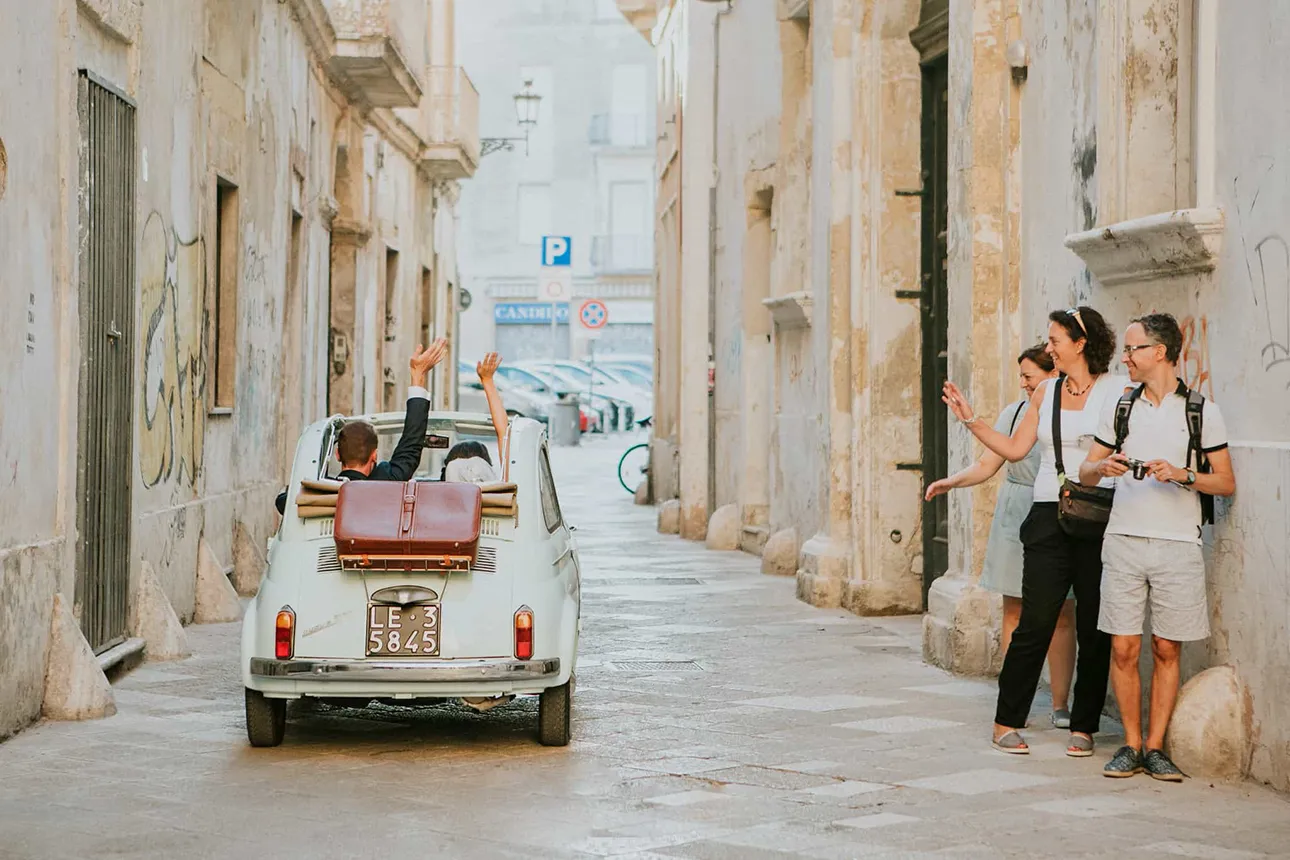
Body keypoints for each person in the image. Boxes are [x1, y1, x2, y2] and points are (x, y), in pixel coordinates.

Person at [942, 306, 1124, 757]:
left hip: (1102, 515)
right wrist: (971, 419)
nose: (1049, 348)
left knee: (1095, 625)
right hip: (1048, 514)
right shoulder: (1046, 391)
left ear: (1081, 344)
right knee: (1035, 621)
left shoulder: (1118, 391)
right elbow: (1016, 447)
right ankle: (1006, 720)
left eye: (1056, 340)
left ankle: (1083, 725)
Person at [1079, 313, 1236, 781]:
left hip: (1177, 543)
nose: (1125, 357)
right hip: (1124, 539)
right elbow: (1084, 471)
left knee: (1167, 648)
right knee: (1124, 648)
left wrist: (1182, 474)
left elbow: (1225, 482)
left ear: (1160, 352)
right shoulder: (1121, 407)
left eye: (1133, 349)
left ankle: (1155, 746)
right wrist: (1101, 470)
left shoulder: (1201, 410)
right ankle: (1129, 744)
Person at [925, 344, 1076, 728]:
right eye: (1022, 377)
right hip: (1014, 514)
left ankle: (1061, 703)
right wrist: (951, 482)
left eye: (1030, 377)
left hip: (1057, 511)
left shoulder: (1072, 409)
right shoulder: (1015, 413)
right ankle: (1015, 696)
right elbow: (987, 463)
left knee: (1062, 612)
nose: (1024, 384)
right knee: (1014, 609)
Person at [274, 340, 447, 513]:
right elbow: (412, 444)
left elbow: (282, 502)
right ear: (374, 455)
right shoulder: (387, 482)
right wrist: (418, 375)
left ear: (337, 454)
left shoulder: (319, 495)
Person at [441, 352, 510, 484]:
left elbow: (505, 435)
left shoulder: (433, 501)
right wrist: (487, 381)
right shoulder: (503, 499)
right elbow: (504, 435)